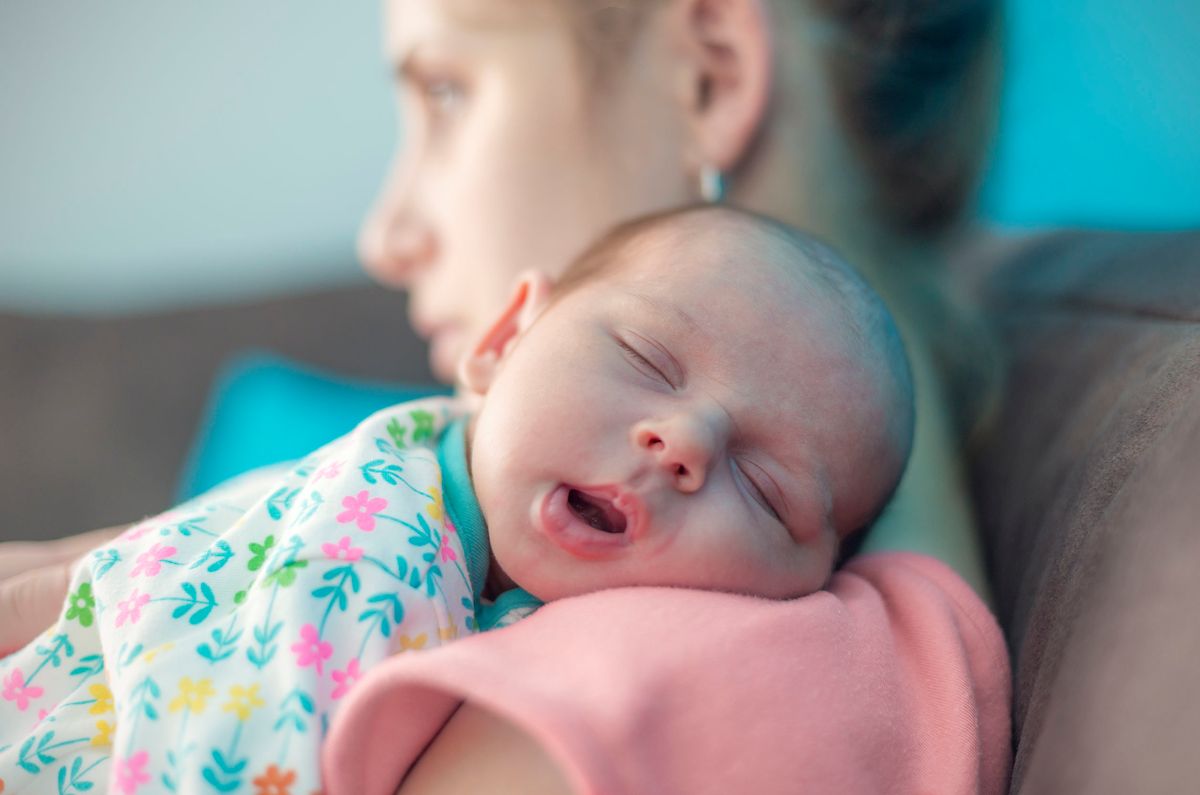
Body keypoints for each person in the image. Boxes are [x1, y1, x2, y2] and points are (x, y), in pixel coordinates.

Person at [0, 0, 1004, 791]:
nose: (385, 235)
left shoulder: (741, 664)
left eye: (445, 90)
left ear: (711, 73)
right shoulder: (463, 500)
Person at [0, 206, 929, 792]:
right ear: (503, 337)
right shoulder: (379, 472)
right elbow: (122, 568)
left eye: (767, 493)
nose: (683, 443)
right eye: (647, 360)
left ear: (809, 582)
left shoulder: (586, 672)